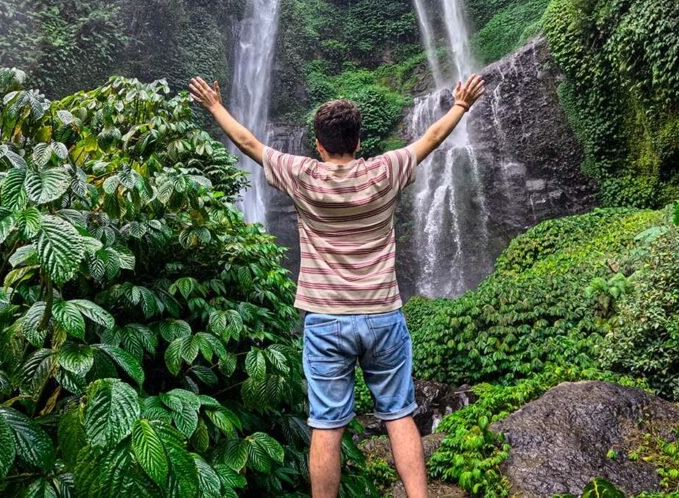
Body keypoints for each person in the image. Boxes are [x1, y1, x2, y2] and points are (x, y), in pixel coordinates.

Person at [188, 73, 487, 498]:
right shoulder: (386, 170)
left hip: (326, 320)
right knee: (399, 414)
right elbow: (433, 138)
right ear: (360, 142)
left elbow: (251, 145)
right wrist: (461, 104)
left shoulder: (302, 175)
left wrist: (215, 106)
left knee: (326, 425)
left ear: (319, 145)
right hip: (383, 314)